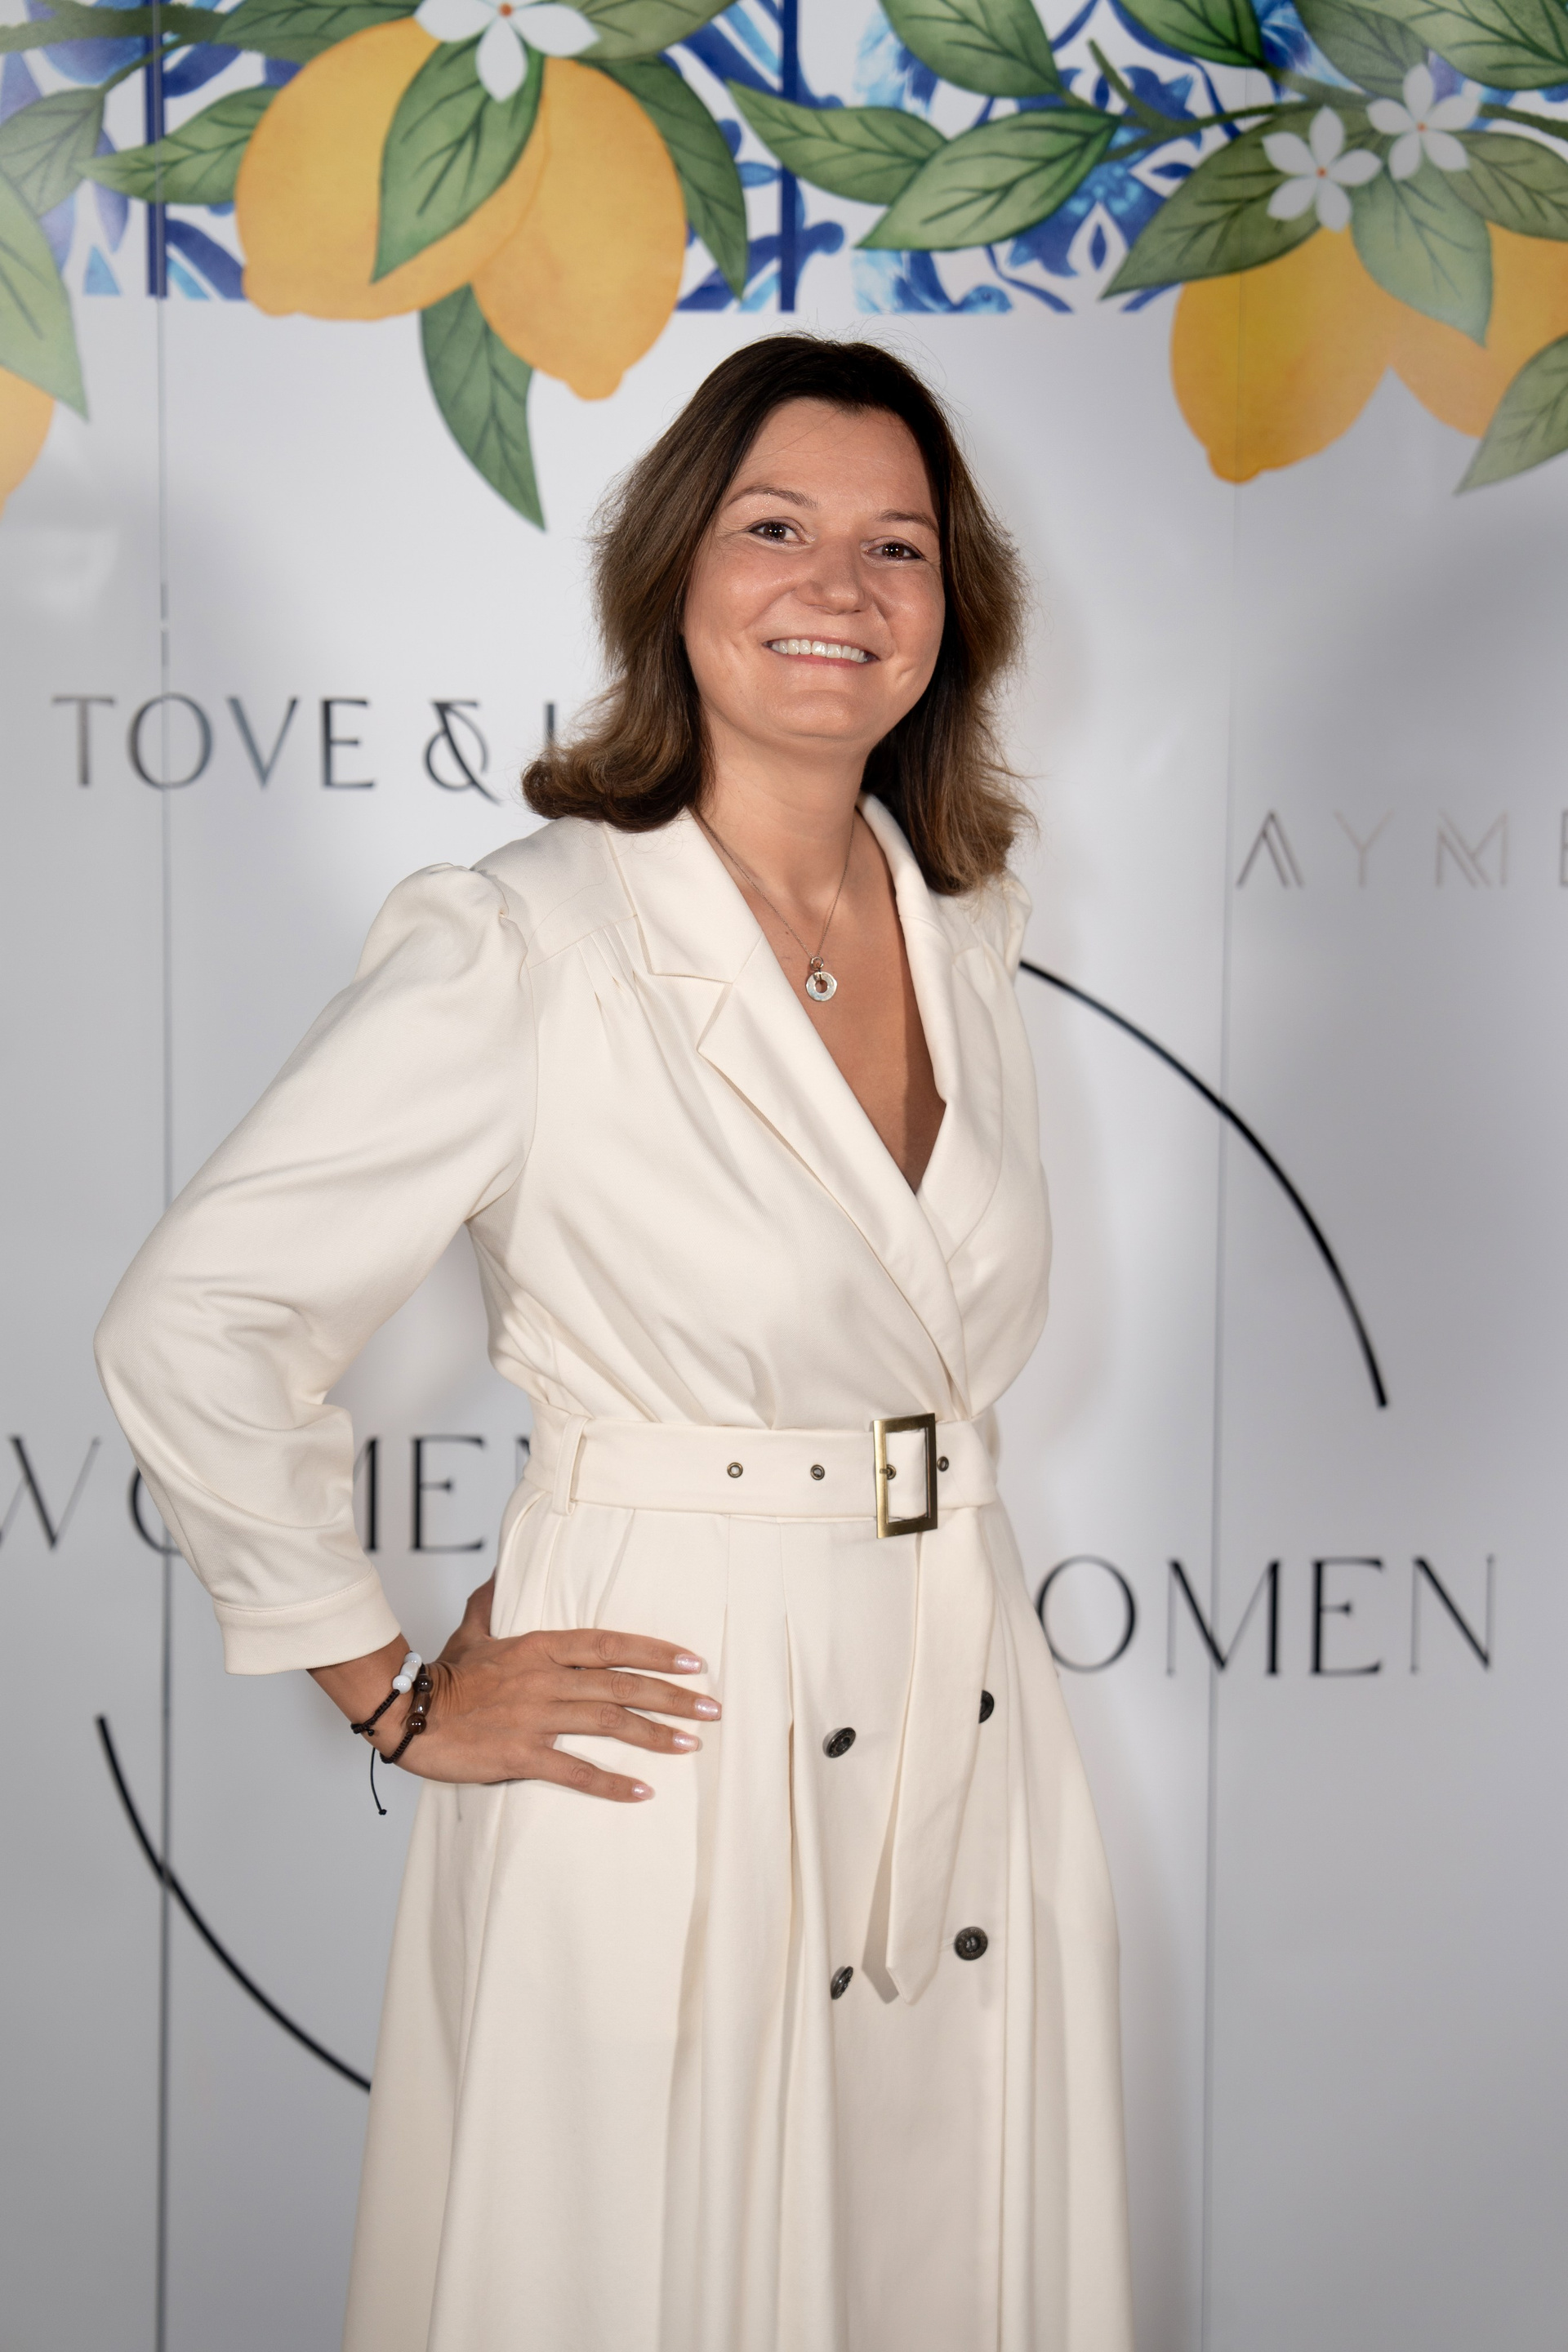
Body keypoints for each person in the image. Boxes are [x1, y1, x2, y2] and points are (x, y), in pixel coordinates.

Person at [96, 335, 1133, 2352]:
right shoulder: (530, 938)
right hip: (674, 1726)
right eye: (777, 527)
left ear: (954, 610)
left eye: (897, 547)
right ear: (673, 569)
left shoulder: (968, 926)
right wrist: (385, 1692)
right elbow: (197, 1319)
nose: (838, 587)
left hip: (968, 1706)